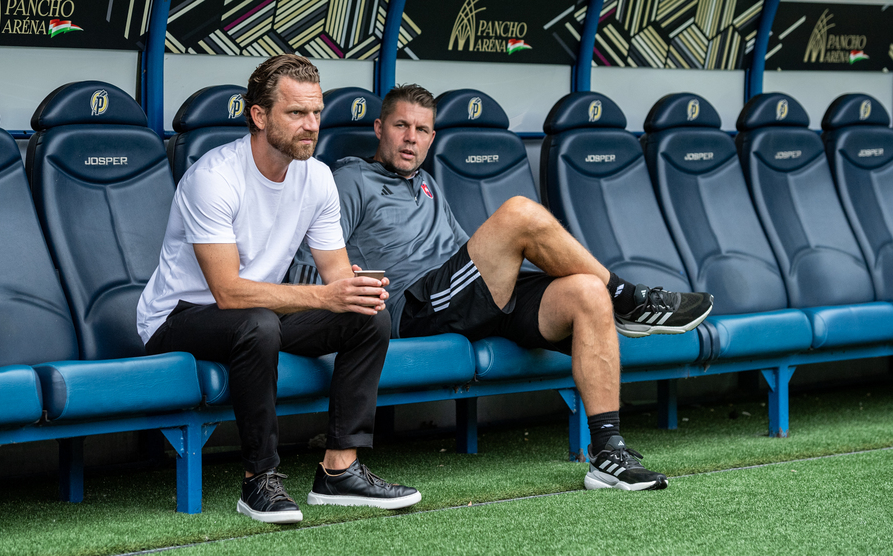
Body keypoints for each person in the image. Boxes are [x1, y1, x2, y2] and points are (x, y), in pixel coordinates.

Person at [294, 84, 714, 491]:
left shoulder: (426, 184)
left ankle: (607, 452)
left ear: (432, 138)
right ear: (379, 128)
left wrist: (501, 265)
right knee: (518, 214)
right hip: (417, 304)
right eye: (401, 126)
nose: (411, 138)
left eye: (421, 130)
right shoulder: (350, 179)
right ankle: (630, 298)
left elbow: (460, 251)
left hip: (464, 294)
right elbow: (312, 257)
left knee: (587, 291)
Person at [136, 55, 420, 525]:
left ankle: (339, 471)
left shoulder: (317, 177)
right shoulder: (214, 177)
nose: (311, 125)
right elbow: (228, 293)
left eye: (316, 112)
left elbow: (335, 275)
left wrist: (355, 288)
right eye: (296, 113)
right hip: (178, 318)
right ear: (260, 115)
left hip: (257, 315)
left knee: (368, 314)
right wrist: (325, 297)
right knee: (257, 323)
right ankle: (259, 480)